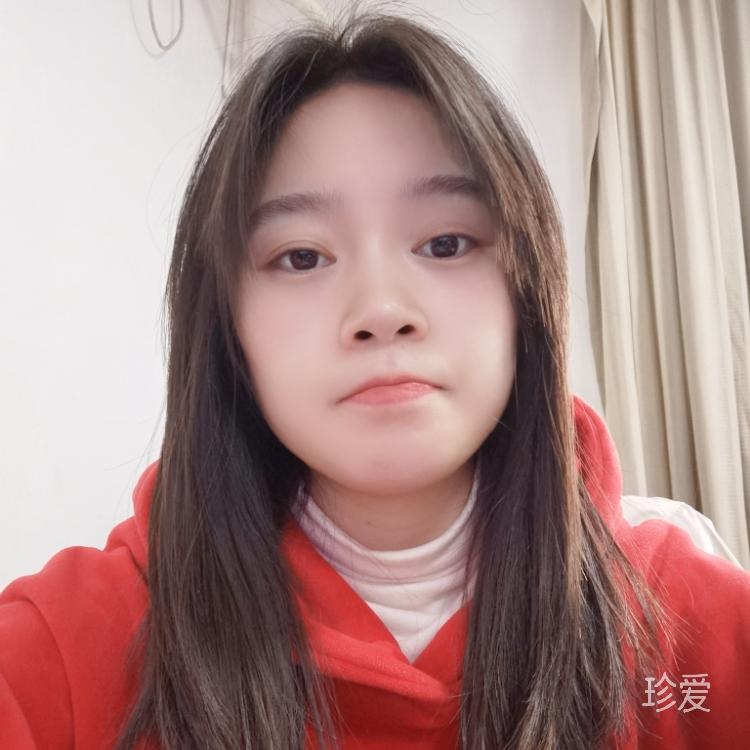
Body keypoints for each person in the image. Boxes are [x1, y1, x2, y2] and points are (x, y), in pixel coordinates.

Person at [1, 8, 749, 750]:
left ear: (527, 291)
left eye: (446, 242)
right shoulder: (63, 652)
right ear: (228, 324)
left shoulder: (694, 631)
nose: (382, 311)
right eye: (302, 257)